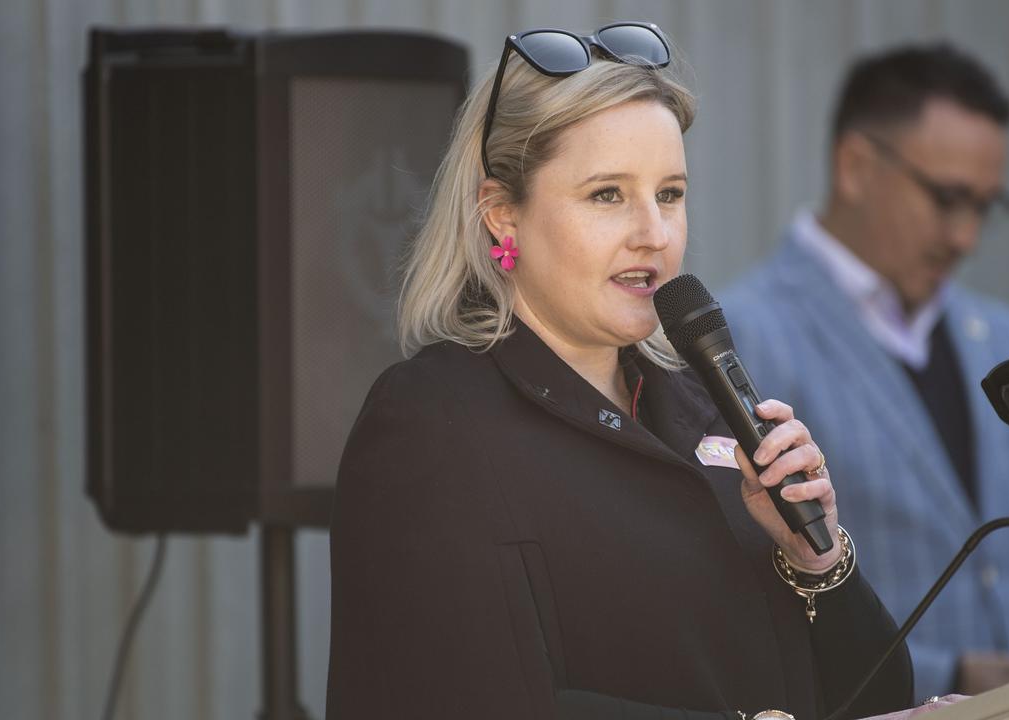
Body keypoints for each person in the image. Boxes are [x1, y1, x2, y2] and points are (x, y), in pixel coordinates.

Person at [326, 22, 944, 720]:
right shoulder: (433, 422)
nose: (654, 232)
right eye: (607, 195)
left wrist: (816, 558)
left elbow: (881, 697)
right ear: (503, 217)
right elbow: (464, 699)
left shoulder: (704, 413)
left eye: (670, 194)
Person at [720, 43, 1009, 700]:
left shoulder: (1001, 336)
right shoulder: (743, 337)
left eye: (985, 207)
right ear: (855, 166)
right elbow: (746, 593)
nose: (965, 235)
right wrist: (949, 676)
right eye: (948, 199)